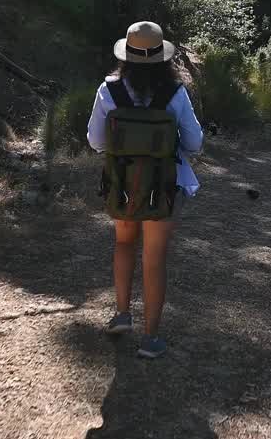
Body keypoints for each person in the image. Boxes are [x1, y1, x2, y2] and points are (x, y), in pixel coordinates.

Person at [87, 21, 203, 359]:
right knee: (154, 258)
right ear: (162, 59)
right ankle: (151, 338)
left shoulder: (108, 91)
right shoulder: (175, 93)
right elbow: (194, 143)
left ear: (127, 56)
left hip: (122, 185)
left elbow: (95, 141)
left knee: (123, 243)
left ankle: (123, 314)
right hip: (164, 187)